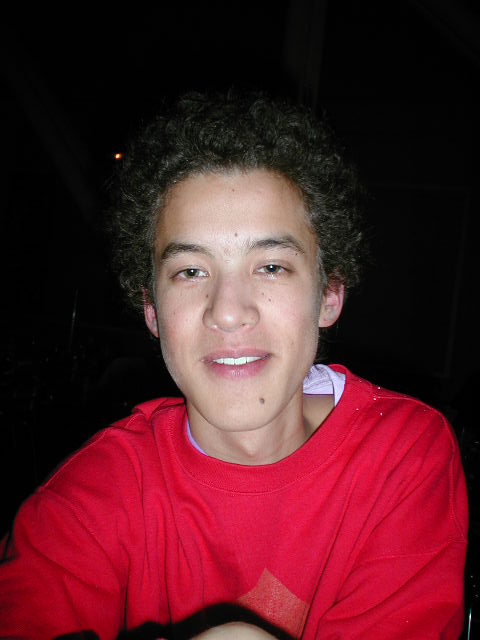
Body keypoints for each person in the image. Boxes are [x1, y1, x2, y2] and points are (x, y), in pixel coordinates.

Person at [0, 91, 468, 639]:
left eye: (270, 266)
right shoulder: (86, 504)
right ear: (152, 310)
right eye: (190, 272)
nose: (226, 311)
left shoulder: (401, 458)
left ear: (329, 295)